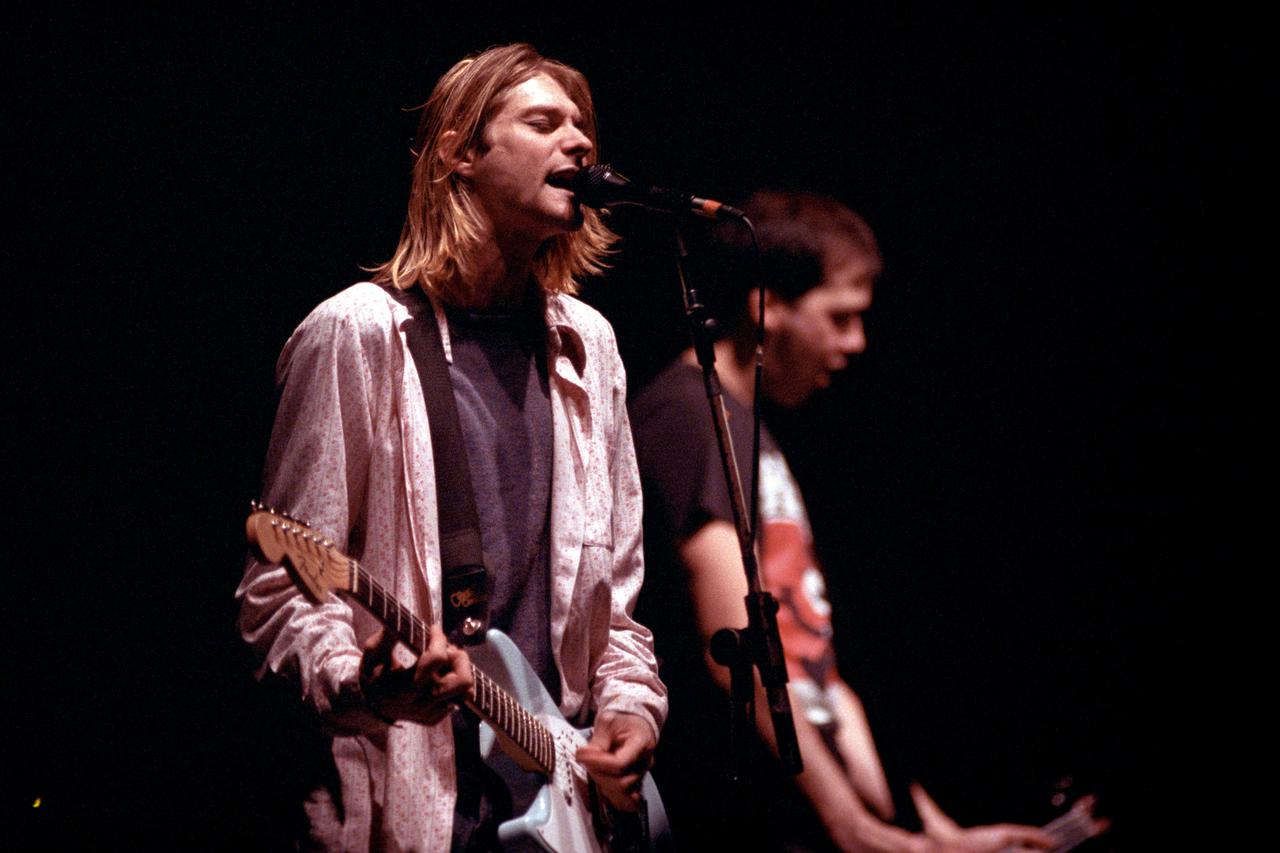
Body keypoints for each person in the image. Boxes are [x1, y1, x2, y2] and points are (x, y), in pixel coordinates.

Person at [237, 44, 666, 851]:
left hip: (562, 813)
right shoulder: (357, 335)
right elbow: (278, 596)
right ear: (458, 154)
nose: (579, 141)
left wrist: (630, 710)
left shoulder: (590, 347)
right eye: (544, 122)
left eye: (583, 126)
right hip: (406, 806)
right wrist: (363, 682)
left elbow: (615, 612)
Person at [630, 191, 1052, 852]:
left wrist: (936, 834)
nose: (856, 342)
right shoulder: (689, 418)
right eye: (839, 317)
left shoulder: (748, 429)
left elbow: (814, 672)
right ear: (767, 307)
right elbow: (738, 648)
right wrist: (849, 824)